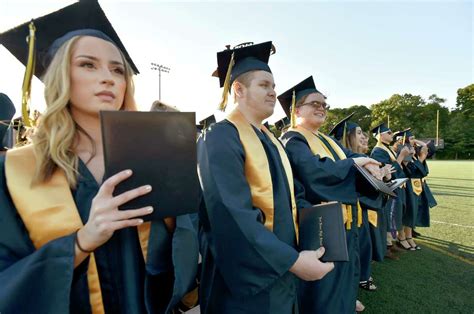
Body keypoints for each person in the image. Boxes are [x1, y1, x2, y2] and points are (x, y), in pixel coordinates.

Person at [0, 2, 198, 313]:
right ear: (59, 76)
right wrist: (81, 242)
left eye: (117, 69)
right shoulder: (14, 170)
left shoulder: (151, 156)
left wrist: (178, 219)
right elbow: (6, 280)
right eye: (88, 64)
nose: (108, 78)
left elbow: (181, 253)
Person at [197, 42, 334, 314]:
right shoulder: (219, 137)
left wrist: (320, 231)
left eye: (273, 85)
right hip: (244, 283)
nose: (273, 92)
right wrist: (292, 261)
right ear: (238, 89)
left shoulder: (272, 141)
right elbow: (231, 217)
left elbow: (296, 195)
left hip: (283, 270)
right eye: (264, 85)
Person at [278, 76, 382, 314]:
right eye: (314, 103)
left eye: (324, 104)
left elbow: (349, 157)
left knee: (344, 275)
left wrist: (368, 164)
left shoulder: (326, 140)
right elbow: (313, 172)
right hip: (321, 225)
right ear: (296, 109)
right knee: (324, 288)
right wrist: (356, 165)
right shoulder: (293, 138)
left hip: (344, 221)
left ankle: (345, 303)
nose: (321, 108)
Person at [328, 115, 393, 293]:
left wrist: (384, 179)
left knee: (362, 247)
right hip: (347, 212)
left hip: (359, 212)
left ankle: (360, 277)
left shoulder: (360, 158)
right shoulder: (342, 162)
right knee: (352, 250)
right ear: (346, 136)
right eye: (358, 133)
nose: (363, 137)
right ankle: (356, 281)